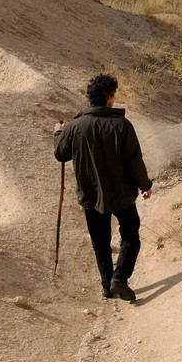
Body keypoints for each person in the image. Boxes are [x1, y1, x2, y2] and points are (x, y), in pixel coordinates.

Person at [54, 73, 153, 302]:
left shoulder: (75, 126)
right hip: (122, 195)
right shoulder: (122, 125)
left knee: (100, 242)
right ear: (109, 98)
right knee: (130, 234)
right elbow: (134, 160)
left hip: (91, 195)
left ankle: (107, 285)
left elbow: (60, 154)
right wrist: (145, 185)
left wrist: (59, 132)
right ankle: (120, 278)